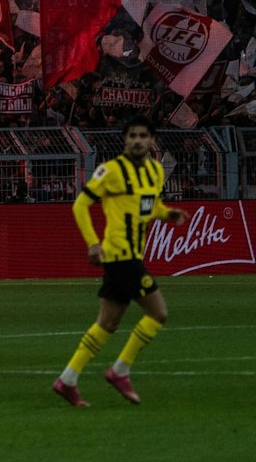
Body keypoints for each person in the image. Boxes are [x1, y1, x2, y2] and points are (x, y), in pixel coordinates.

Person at [52, 115, 187, 407]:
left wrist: (167, 214)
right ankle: (120, 370)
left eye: (143, 136)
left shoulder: (155, 171)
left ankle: (68, 379)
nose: (138, 141)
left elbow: (148, 207)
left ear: (152, 140)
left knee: (108, 323)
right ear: (125, 140)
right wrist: (93, 243)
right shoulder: (110, 171)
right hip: (119, 254)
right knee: (158, 313)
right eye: (132, 136)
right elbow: (80, 204)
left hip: (131, 255)